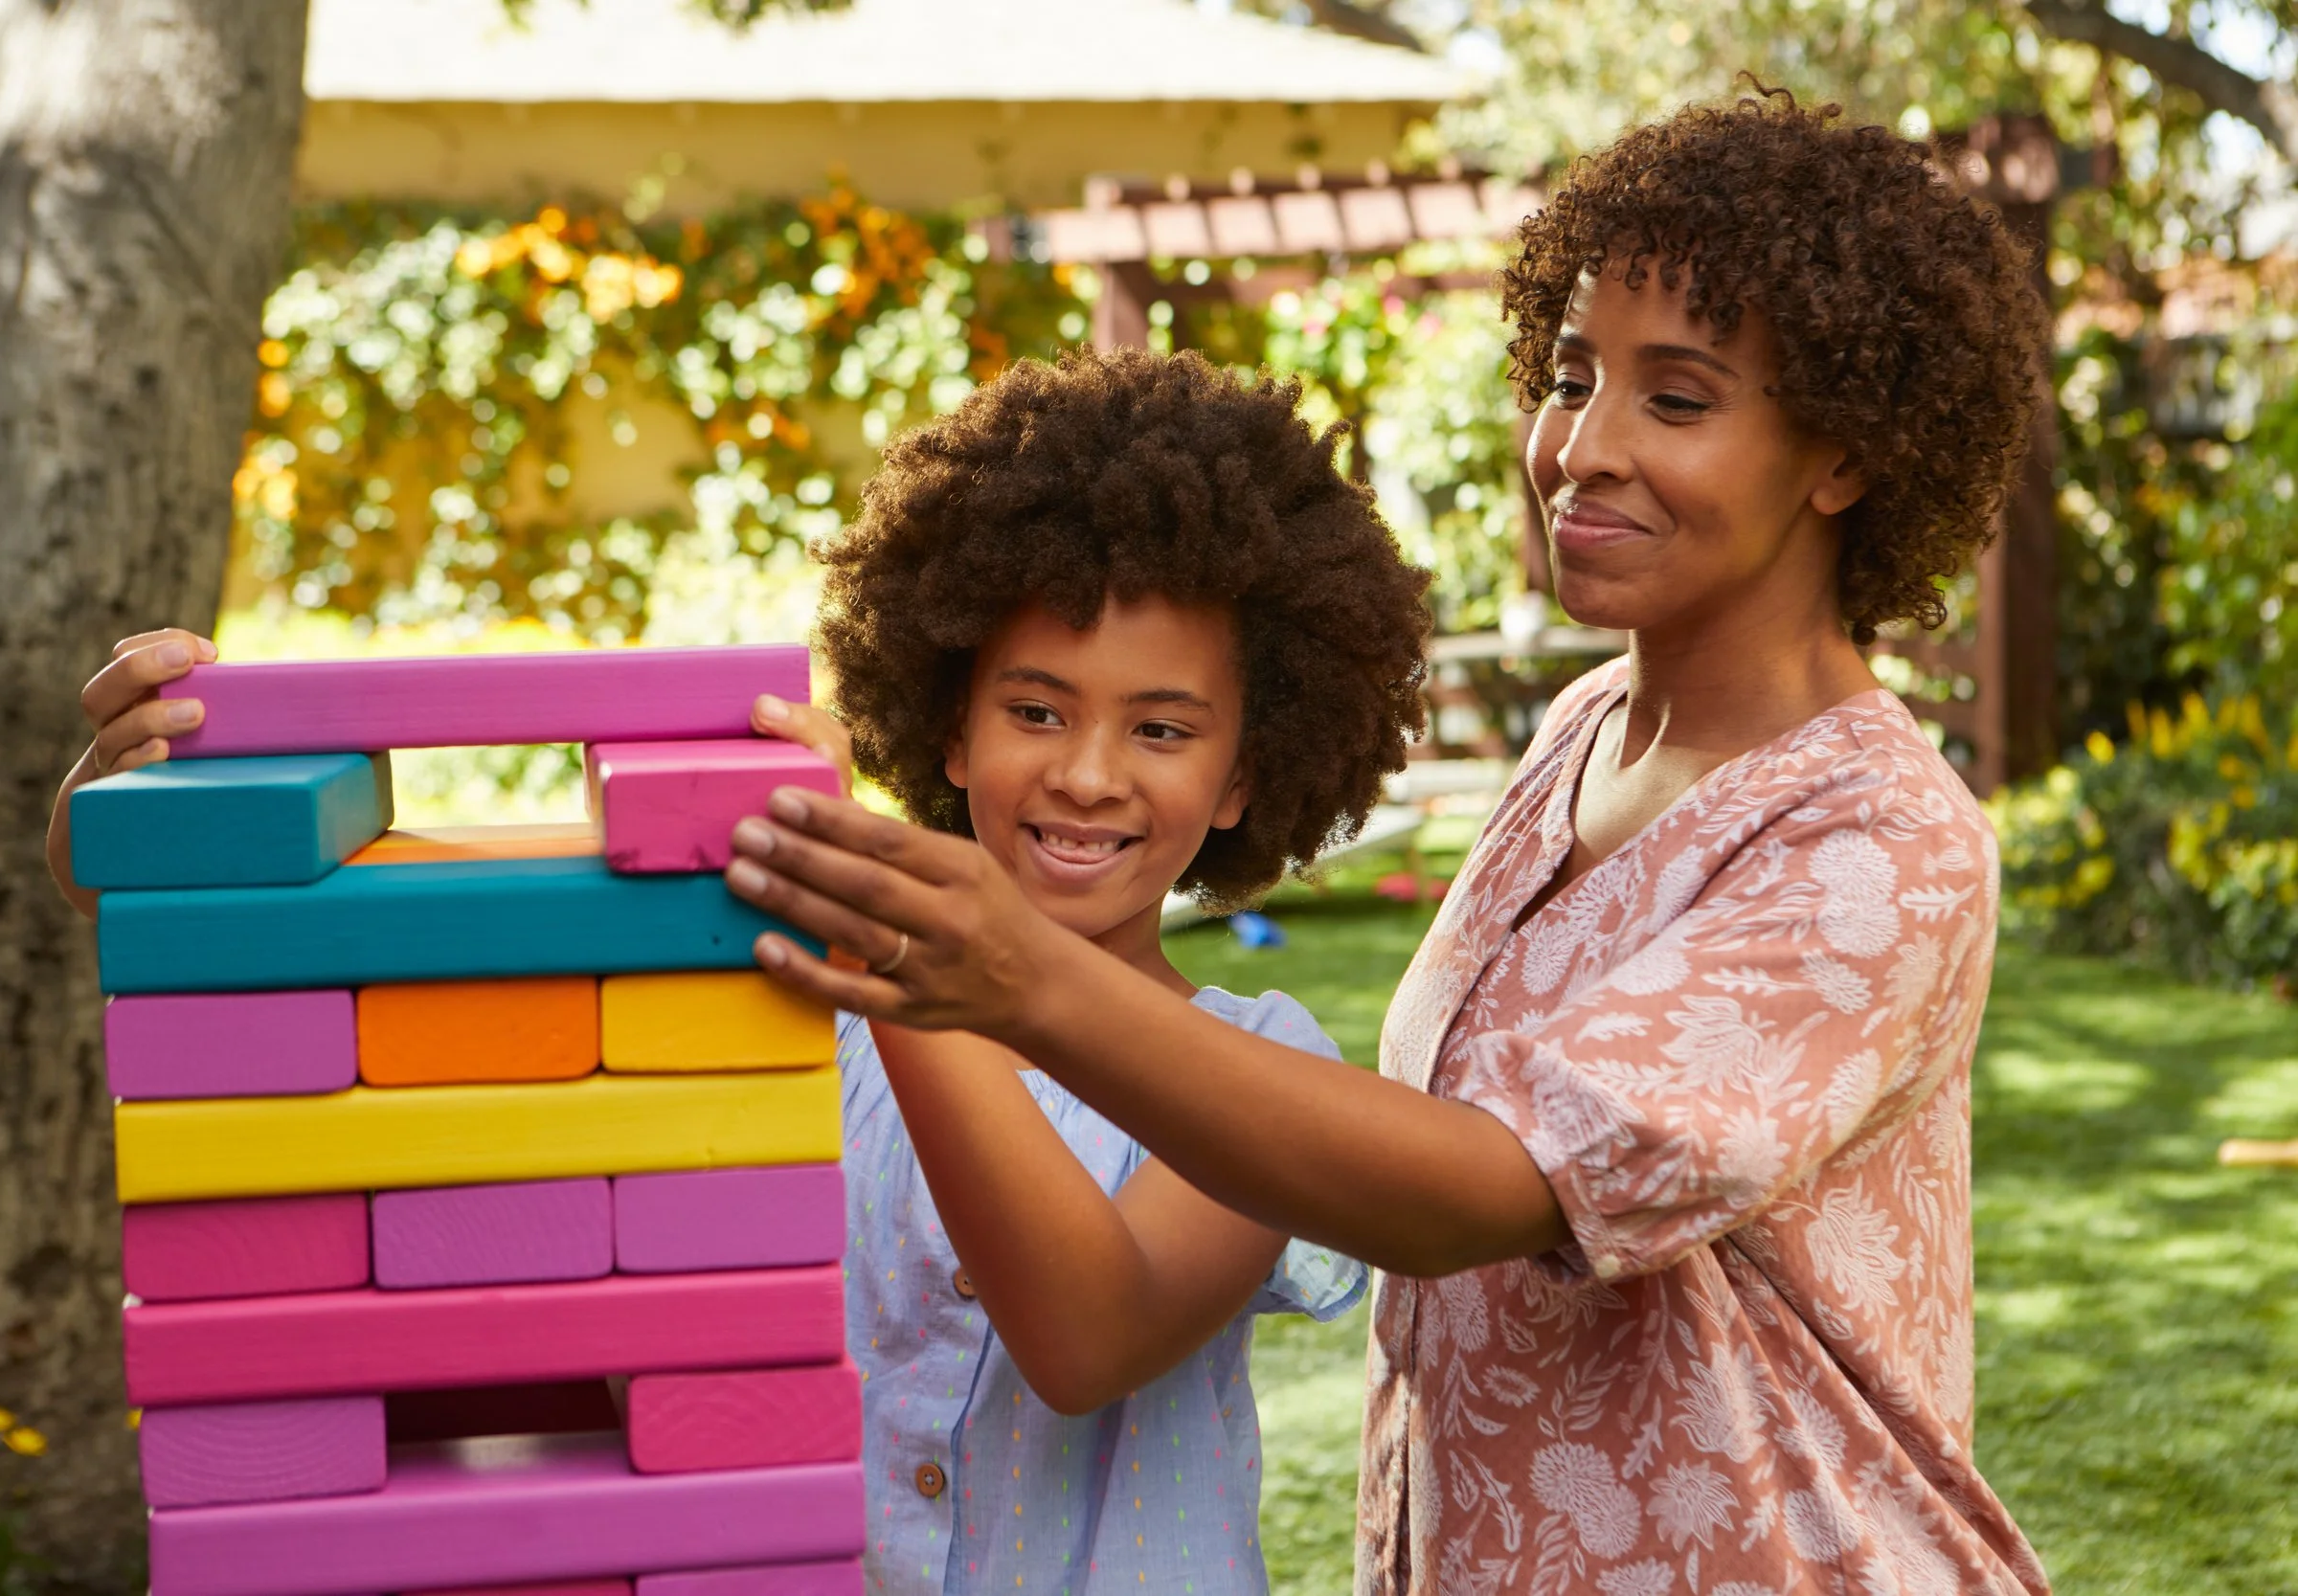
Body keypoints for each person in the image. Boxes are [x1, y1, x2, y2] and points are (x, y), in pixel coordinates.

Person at [712, 89, 2055, 1595]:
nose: (1583, 447)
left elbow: (1486, 1189)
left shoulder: (1877, 840)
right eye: (1569, 375)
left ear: (1846, 457)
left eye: (1676, 400)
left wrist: (1006, 971)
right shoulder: (1582, 737)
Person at [44, 347, 1437, 1596]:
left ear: (1248, 771)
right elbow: (388, 972)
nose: (1085, 772)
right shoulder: (773, 1003)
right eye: (1035, 709)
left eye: (1162, 730)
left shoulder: (1263, 1065)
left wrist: (891, 942)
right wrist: (145, 817)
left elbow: (1087, 1338)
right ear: (950, 727)